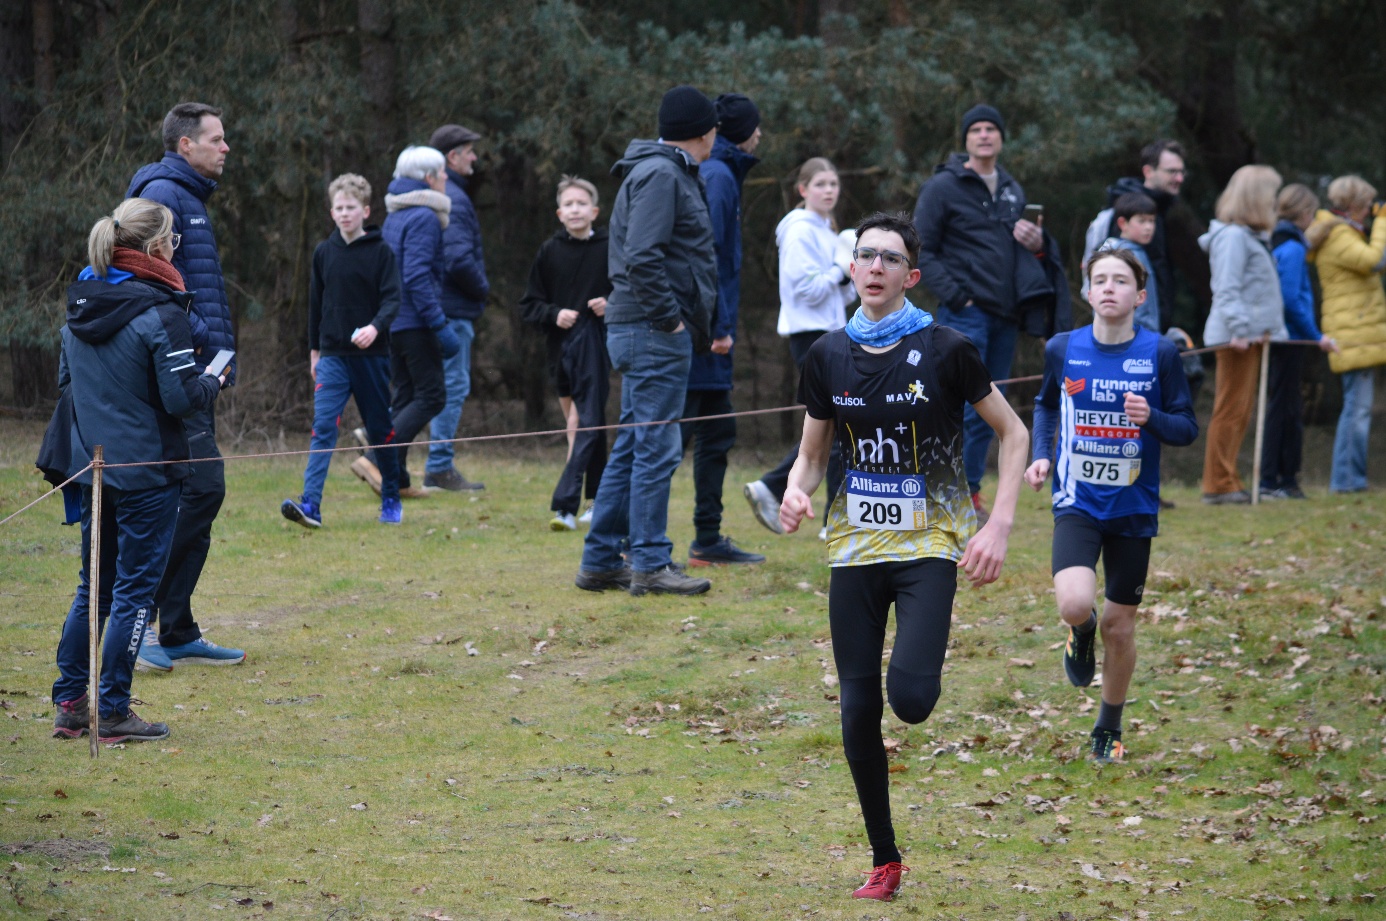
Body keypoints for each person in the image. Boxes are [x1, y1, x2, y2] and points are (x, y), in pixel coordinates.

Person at [779, 213, 1028, 902]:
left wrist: (997, 524)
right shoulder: (827, 354)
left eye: (890, 257)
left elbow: (1014, 433)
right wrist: (796, 496)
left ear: (911, 275)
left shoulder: (949, 348)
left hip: (927, 549)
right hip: (854, 552)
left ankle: (918, 673)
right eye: (865, 255)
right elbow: (811, 455)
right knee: (857, 711)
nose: (876, 265)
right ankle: (884, 857)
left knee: (911, 701)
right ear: (852, 268)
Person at [51, 198, 224, 742]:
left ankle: (71, 703)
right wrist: (214, 378)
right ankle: (114, 711)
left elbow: (65, 387)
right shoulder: (162, 313)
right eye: (174, 242)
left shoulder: (79, 305)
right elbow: (181, 400)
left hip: (95, 469)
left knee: (92, 590)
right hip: (149, 472)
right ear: (154, 248)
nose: (177, 249)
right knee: (131, 593)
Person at [1025, 247, 1198, 763]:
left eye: (1120, 281)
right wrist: (1040, 456)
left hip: (1133, 509)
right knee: (1076, 603)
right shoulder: (1063, 347)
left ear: (1139, 296)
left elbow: (1187, 428)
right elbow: (1044, 404)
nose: (1108, 288)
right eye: (1099, 279)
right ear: (1086, 291)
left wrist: (1152, 418)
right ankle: (1079, 633)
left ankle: (1109, 724)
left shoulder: (1161, 353)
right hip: (1076, 499)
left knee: (1120, 627)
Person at [574, 85, 718, 597]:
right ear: (704, 132)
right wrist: (670, 321)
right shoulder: (662, 174)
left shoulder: (660, 170)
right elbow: (642, 257)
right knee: (656, 448)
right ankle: (651, 564)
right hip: (652, 330)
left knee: (635, 445)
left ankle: (599, 561)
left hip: (639, 328)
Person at [127, 102, 244, 671]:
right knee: (199, 490)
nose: (225, 148)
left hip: (201, 373)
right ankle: (140, 625)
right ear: (185, 146)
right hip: (178, 373)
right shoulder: (161, 194)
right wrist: (199, 343)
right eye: (216, 139)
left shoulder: (190, 197)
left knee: (202, 492)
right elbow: (145, 277)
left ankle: (176, 629)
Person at [912, 104, 1051, 524]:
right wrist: (957, 296)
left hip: (1005, 316)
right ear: (966, 139)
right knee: (956, 406)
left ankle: (968, 492)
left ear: (1002, 138)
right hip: (964, 314)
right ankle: (938, 488)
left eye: (993, 128)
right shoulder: (943, 187)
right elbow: (922, 247)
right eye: (977, 129)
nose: (986, 135)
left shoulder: (1012, 189)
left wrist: (1038, 243)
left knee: (991, 411)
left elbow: (1025, 251)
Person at [281, 173, 403, 528]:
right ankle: (311, 505)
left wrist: (374, 327)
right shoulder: (323, 252)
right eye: (339, 208)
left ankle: (392, 498)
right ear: (331, 212)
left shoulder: (381, 252)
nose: (345, 213)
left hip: (372, 357)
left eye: (351, 207)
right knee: (323, 428)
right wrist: (314, 351)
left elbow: (393, 300)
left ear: (365, 211)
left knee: (380, 429)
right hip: (333, 356)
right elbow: (315, 306)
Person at [743, 157, 856, 536]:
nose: (829, 190)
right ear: (802, 189)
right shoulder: (798, 231)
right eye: (821, 183)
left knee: (836, 426)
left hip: (832, 333)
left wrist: (851, 273)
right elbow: (805, 289)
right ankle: (832, 519)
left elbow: (840, 293)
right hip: (811, 337)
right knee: (842, 424)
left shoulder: (826, 230)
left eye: (834, 184)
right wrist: (841, 270)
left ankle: (775, 487)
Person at [681, 92, 765, 566]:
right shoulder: (717, 175)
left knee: (718, 431)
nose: (761, 134)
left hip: (713, 332)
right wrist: (716, 326)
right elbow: (706, 256)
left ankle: (707, 539)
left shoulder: (725, 171)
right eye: (757, 125)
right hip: (703, 335)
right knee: (673, 437)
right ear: (742, 131)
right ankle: (630, 542)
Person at [518, 175, 612, 530]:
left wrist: (611, 304)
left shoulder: (608, 247)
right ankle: (596, 500)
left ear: (594, 210)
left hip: (598, 346)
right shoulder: (549, 252)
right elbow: (529, 304)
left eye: (581, 203)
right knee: (586, 423)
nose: (575, 210)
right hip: (560, 350)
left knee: (583, 421)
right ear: (559, 213)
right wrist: (554, 314)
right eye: (568, 205)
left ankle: (568, 505)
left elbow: (628, 288)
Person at [370, 146, 462, 497]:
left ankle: (398, 479)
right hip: (416, 322)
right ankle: (379, 455)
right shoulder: (424, 216)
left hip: (395, 320)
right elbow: (417, 277)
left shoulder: (398, 214)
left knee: (406, 393)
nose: (445, 179)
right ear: (428, 178)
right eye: (441, 173)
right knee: (433, 395)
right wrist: (439, 324)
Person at [1199, 165, 1288, 504]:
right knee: (1230, 409)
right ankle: (1218, 485)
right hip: (1237, 338)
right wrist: (1238, 329)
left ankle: (1228, 479)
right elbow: (1226, 289)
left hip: (1252, 337)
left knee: (1241, 410)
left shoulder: (1249, 237)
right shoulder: (1234, 238)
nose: (1275, 202)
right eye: (1272, 195)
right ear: (1257, 198)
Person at [1306, 175, 1386, 494]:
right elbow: (1375, 260)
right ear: (1352, 206)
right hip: (1354, 332)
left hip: (1356, 329)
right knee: (1357, 409)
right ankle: (1347, 480)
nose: (1369, 211)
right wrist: (1383, 223)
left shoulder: (1340, 232)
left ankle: (1350, 479)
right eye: (1367, 206)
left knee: (1356, 406)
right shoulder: (1340, 235)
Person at [424, 124, 488, 492]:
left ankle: (377, 443)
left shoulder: (443, 196)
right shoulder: (456, 200)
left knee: (430, 386)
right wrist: (484, 290)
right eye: (468, 150)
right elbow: (459, 260)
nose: (474, 157)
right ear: (452, 157)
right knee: (453, 384)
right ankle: (439, 466)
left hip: (438, 307)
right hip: (454, 310)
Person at [1263, 184, 1336, 499]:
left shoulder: (1281, 242)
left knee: (1284, 405)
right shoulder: (1292, 249)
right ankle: (1278, 479)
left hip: (1286, 338)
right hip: (1291, 340)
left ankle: (1277, 478)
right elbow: (1291, 300)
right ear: (1305, 213)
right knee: (1286, 409)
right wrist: (1316, 335)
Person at [1099, 140, 1190, 333]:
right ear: (1149, 171)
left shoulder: (1161, 207)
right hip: (1136, 332)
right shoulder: (1130, 208)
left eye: (1182, 172)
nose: (1179, 178)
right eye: (1172, 171)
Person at [1090, 192, 1160, 333]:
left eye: (1152, 221)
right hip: (1131, 335)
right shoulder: (1121, 256)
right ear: (1123, 223)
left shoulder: (1137, 251)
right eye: (1142, 221)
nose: (1148, 227)